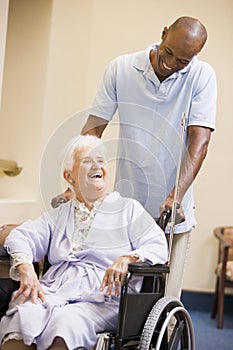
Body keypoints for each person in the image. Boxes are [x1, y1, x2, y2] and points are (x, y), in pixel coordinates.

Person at [78, 16, 217, 300]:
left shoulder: (202, 76)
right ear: (163, 33)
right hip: (128, 204)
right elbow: (93, 130)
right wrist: (80, 182)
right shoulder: (121, 68)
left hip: (174, 209)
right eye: (168, 53)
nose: (170, 64)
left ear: (195, 57)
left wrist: (175, 195)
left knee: (164, 299)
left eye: (182, 61)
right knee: (116, 297)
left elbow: (199, 143)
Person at [0, 135, 168, 350]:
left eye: (101, 160)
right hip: (54, 292)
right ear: (69, 176)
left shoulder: (128, 209)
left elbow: (157, 244)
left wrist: (127, 258)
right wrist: (25, 269)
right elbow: (21, 236)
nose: (98, 166)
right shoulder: (58, 216)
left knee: (67, 322)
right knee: (25, 314)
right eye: (88, 161)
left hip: (102, 298)